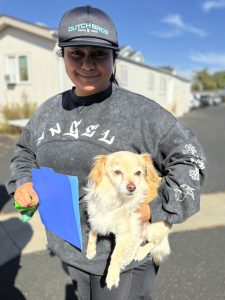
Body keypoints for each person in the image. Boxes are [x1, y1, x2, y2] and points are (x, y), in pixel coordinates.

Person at [6, 5, 207, 300]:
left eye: (98, 54)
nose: (87, 64)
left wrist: (156, 208)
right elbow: (24, 152)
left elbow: (191, 159)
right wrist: (23, 181)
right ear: (63, 55)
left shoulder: (143, 114)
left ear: (114, 56)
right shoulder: (47, 112)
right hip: (69, 248)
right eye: (76, 53)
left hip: (124, 257)